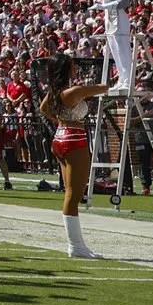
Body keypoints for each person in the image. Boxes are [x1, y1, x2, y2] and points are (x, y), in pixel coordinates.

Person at [34, 50, 108, 257]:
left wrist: (61, 121)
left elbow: (44, 109)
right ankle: (76, 246)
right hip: (74, 139)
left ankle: (75, 245)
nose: (76, 68)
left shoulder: (54, 93)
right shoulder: (73, 91)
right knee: (74, 195)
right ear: (66, 69)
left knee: (70, 193)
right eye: (73, 65)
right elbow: (104, 88)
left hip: (60, 137)